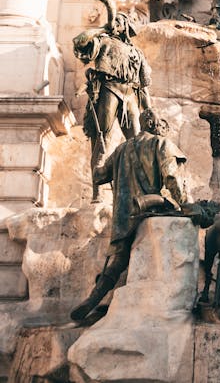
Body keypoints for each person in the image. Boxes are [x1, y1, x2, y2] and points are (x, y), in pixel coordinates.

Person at [70, 108, 188, 321]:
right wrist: (186, 204)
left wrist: (99, 153)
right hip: (148, 210)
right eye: (161, 125)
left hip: (124, 219)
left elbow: (98, 176)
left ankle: (93, 299)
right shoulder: (161, 144)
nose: (163, 130)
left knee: (118, 261)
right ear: (153, 125)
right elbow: (171, 177)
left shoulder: (121, 149)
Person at [73, 0, 152, 201]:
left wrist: (150, 109)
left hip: (130, 96)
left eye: (119, 21)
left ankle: (139, 190)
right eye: (113, 21)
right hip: (108, 90)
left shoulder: (137, 52)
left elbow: (144, 85)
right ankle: (97, 191)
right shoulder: (103, 42)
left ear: (126, 26)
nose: (115, 23)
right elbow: (79, 41)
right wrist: (102, 28)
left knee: (136, 141)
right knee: (101, 141)